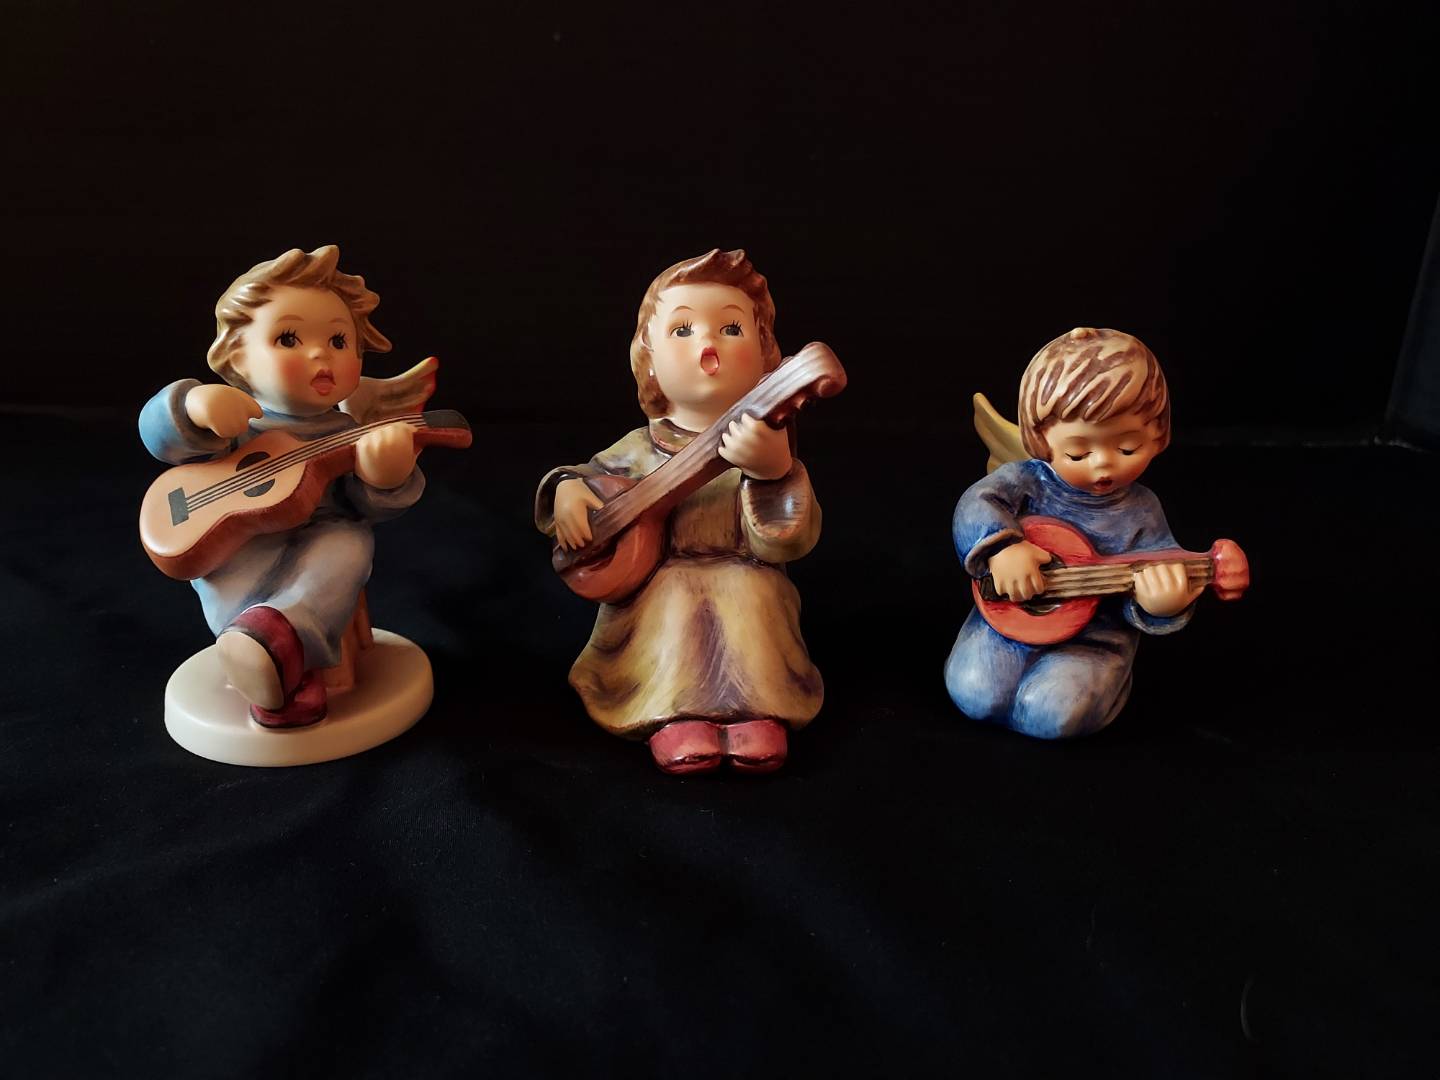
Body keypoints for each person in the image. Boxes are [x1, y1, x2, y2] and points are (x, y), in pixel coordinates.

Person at [536, 249, 827, 774]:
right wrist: (567, 491)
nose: (708, 344)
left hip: (748, 584)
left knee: (749, 591)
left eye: (731, 329)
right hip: (657, 594)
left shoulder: (764, 449)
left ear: (765, 357)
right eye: (682, 330)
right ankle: (672, 713)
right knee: (673, 593)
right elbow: (590, 476)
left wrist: (773, 472)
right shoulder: (639, 447)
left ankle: (757, 712)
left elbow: (786, 541)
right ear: (648, 358)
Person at [139, 245, 425, 727]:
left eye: (339, 341)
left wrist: (386, 477)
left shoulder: (348, 432)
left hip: (323, 535)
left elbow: (366, 505)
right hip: (238, 540)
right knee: (227, 568)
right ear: (238, 357)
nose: (320, 354)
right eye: (288, 337)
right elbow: (159, 437)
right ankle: (259, 652)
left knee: (348, 546)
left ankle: (277, 647)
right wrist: (192, 409)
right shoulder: (236, 421)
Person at [945, 327, 1203, 738]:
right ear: (1040, 440)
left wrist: (1161, 604)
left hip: (1094, 642)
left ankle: (1105, 689)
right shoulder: (1027, 482)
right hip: (1006, 623)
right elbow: (976, 504)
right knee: (974, 692)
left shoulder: (1141, 511)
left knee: (1051, 713)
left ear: (1157, 434)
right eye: (1078, 452)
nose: (1103, 464)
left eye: (1127, 448)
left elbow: (1161, 563)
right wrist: (1003, 548)